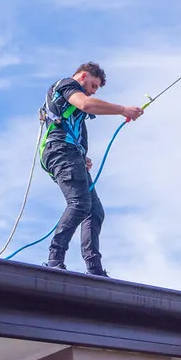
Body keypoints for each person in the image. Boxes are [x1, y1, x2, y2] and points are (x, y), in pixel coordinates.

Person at [38, 62, 144, 275]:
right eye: (93, 85)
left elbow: (74, 122)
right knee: (79, 204)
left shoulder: (73, 110)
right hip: (60, 151)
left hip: (69, 153)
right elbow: (86, 104)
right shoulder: (67, 85)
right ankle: (55, 258)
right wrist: (123, 110)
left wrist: (81, 156)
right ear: (83, 76)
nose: (94, 91)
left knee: (94, 211)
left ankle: (94, 268)